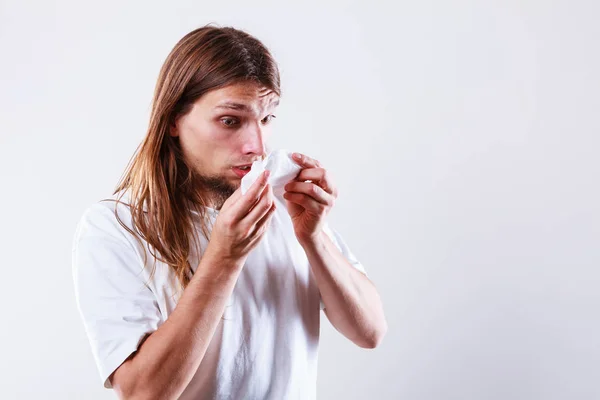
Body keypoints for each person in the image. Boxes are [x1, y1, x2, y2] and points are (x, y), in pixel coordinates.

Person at [71, 24, 387, 400]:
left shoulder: (283, 205)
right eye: (230, 120)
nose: (256, 145)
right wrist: (223, 257)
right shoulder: (115, 228)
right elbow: (142, 393)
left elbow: (370, 332)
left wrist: (314, 237)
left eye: (266, 118)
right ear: (173, 119)